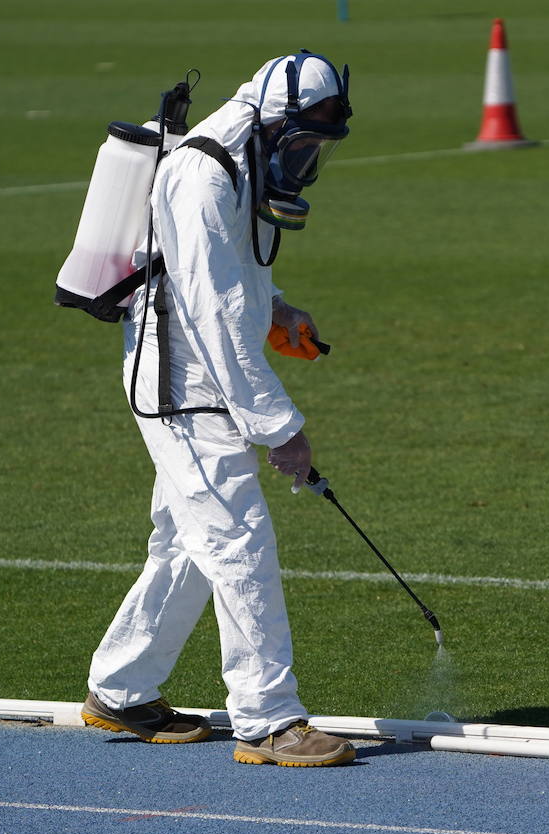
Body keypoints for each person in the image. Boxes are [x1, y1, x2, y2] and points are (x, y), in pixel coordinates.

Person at [80, 52, 356, 767]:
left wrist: (277, 307)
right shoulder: (203, 175)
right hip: (181, 387)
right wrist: (280, 429)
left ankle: (120, 688)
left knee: (188, 544)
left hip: (198, 376)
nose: (306, 161)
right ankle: (268, 720)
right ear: (273, 122)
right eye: (303, 143)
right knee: (238, 540)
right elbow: (215, 313)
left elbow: (229, 276)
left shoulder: (241, 158)